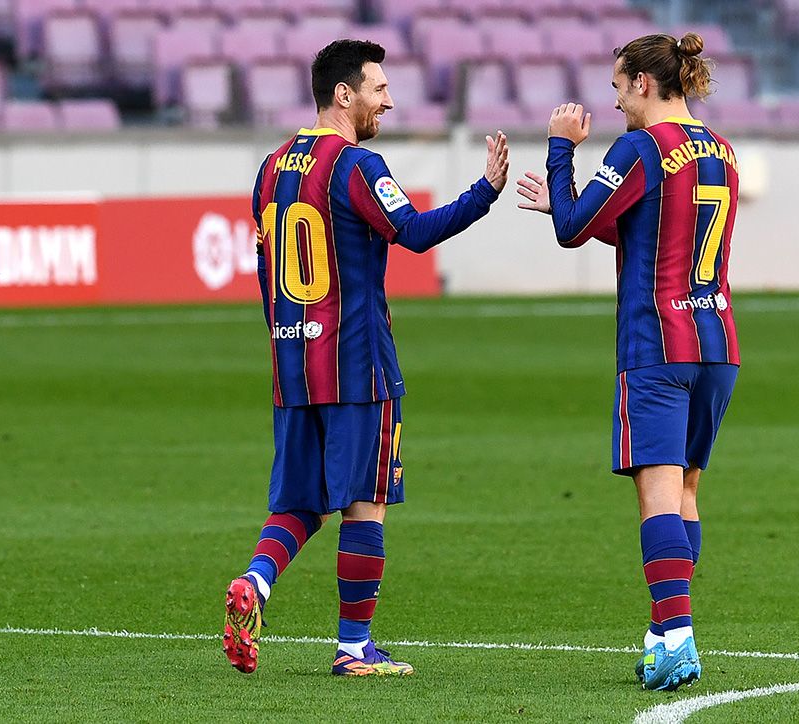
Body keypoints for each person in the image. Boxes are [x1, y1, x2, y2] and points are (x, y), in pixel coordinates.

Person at [223, 38, 509, 677]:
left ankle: (256, 583)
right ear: (344, 95)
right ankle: (354, 648)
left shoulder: (270, 168)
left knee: (300, 502)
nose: (389, 99)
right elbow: (413, 232)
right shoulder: (357, 164)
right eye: (379, 89)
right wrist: (485, 190)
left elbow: (267, 270)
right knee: (365, 502)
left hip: (294, 364)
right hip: (358, 364)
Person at [516, 32, 739, 691]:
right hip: (717, 342)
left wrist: (561, 150)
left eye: (617, 88)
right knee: (688, 489)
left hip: (657, 344)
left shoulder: (642, 146)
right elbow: (653, 222)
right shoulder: (720, 149)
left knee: (657, 492)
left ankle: (677, 639)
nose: (614, 102)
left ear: (644, 82)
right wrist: (582, 206)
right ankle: (661, 634)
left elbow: (570, 228)